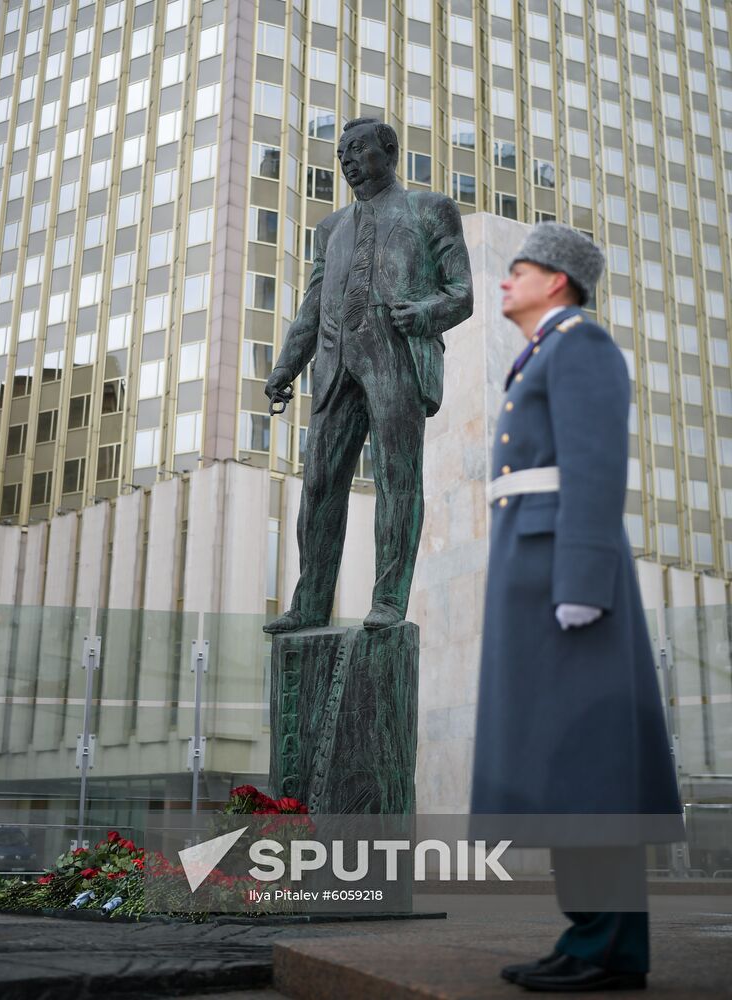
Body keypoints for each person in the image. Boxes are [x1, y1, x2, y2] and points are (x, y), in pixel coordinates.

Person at [471, 222, 683, 991]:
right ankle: (595, 939)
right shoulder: (542, 353)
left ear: (556, 280)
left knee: (588, 766)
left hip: (567, 578)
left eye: (516, 269)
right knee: (567, 764)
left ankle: (605, 945)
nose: (504, 281)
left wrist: (583, 585)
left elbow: (596, 469)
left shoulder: (580, 346)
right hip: (535, 570)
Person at [263, 118, 473, 633]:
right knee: (318, 485)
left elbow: (461, 292)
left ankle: (389, 599)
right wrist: (287, 364)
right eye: (341, 155)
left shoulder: (431, 210)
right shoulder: (330, 229)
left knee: (397, 479)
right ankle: (310, 602)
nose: (347, 161)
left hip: (395, 354)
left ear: (390, 152)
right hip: (336, 362)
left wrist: (423, 313)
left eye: (357, 150)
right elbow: (314, 303)